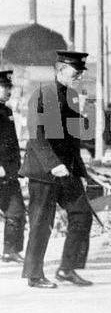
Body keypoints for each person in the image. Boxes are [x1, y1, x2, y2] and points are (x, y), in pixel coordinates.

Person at [21, 51, 93, 288]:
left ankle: (67, 268)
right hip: (43, 171)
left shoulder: (71, 95)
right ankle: (34, 274)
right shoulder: (42, 94)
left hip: (66, 170)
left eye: (81, 72)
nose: (79, 76)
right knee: (42, 222)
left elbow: (73, 137)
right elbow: (37, 137)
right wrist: (54, 165)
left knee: (82, 213)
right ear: (61, 70)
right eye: (76, 72)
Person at [0, 71, 26, 263]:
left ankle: (10, 250)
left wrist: (16, 167)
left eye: (10, 87)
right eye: (4, 87)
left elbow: (11, 143)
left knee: (16, 211)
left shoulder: (6, 110)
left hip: (8, 172)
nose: (8, 91)